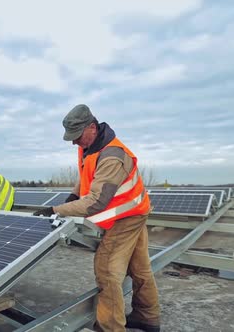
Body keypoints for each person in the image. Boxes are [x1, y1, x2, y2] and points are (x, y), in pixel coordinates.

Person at [33, 104, 160, 332]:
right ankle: (147, 318)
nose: (74, 142)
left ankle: (110, 327)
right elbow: (86, 176)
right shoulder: (89, 146)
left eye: (77, 136)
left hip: (126, 216)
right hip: (135, 210)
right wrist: (72, 196)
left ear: (92, 127)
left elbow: (96, 201)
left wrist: (55, 210)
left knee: (108, 270)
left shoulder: (113, 156)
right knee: (140, 268)